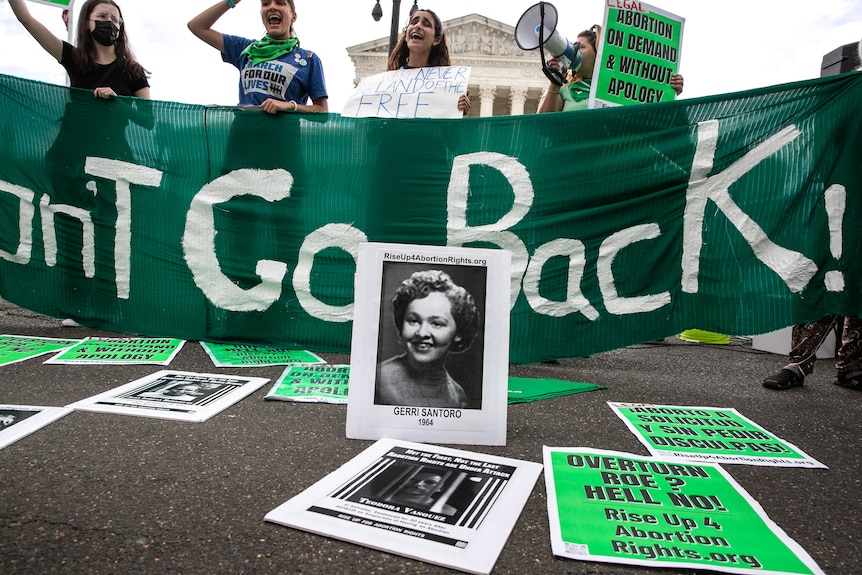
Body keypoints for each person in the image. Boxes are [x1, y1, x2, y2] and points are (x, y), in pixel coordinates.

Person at [188, 0, 327, 113]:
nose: (272, 7)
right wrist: (231, 1)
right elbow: (197, 26)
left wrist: (290, 106)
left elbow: (322, 110)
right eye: (266, 4)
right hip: (242, 139)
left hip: (283, 142)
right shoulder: (246, 48)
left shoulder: (309, 59)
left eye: (280, 3)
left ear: (293, 16)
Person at [375, 270, 480, 408]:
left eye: (436, 323)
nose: (422, 332)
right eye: (413, 321)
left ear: (458, 333)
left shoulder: (459, 398)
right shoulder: (377, 381)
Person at [8, 0, 150, 100]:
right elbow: (26, 19)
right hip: (72, 142)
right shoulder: (74, 58)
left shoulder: (133, 70)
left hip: (113, 143)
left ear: (120, 27)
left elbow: (148, 119)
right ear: (87, 23)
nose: (109, 21)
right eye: (102, 16)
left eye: (114, 19)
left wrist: (118, 102)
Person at [537, 24, 683, 113]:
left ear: (599, 53)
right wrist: (554, 84)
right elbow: (542, 125)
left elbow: (649, 114)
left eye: (580, 47)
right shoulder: (564, 90)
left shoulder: (620, 89)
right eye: (573, 46)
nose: (574, 51)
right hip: (572, 161)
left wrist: (668, 88)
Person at [386, 8, 470, 116]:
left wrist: (456, 111)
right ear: (406, 35)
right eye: (414, 22)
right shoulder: (389, 81)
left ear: (437, 40)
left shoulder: (447, 85)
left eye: (426, 24)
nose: (418, 26)